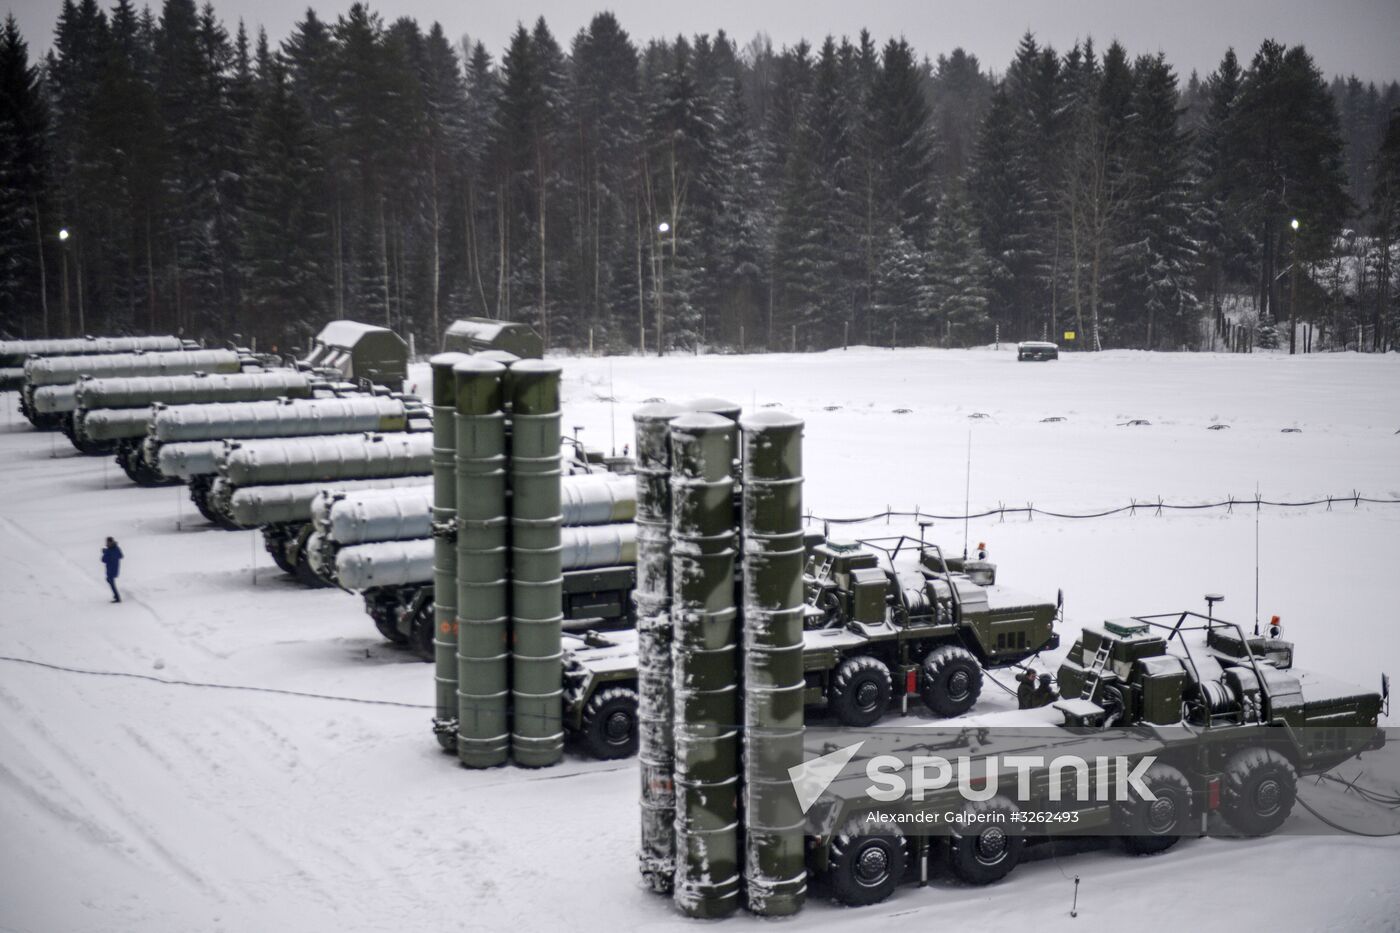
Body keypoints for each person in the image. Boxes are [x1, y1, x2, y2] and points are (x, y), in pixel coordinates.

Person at [102, 537, 123, 603]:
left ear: (110, 542)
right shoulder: (117, 548)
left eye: (107, 542)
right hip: (115, 568)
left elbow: (103, 560)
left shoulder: (109, 551)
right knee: (109, 580)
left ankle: (117, 597)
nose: (106, 543)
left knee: (111, 582)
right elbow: (121, 556)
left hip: (111, 570)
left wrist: (105, 552)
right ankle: (116, 596)